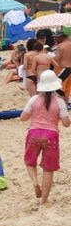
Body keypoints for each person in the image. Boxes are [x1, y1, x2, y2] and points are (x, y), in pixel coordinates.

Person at [20, 70, 70, 206]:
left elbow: (23, 118)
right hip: (51, 136)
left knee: (30, 162)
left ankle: (35, 183)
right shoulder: (59, 102)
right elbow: (66, 124)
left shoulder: (34, 99)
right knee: (48, 169)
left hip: (34, 133)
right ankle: (44, 200)